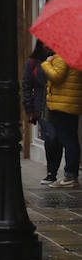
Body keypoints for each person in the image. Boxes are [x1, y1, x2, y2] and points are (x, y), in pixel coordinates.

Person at [41, 51, 82, 188]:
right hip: (71, 103)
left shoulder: (63, 56)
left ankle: (70, 175)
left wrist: (47, 63)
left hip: (63, 104)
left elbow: (57, 76)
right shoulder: (75, 56)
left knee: (68, 139)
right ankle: (71, 174)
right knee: (71, 138)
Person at [23, 40, 61, 184]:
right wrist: (29, 108)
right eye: (45, 42)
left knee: (58, 138)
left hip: (58, 102)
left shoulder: (58, 59)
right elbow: (26, 85)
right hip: (41, 105)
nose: (48, 45)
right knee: (50, 136)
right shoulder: (33, 62)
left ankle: (54, 169)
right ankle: (51, 171)